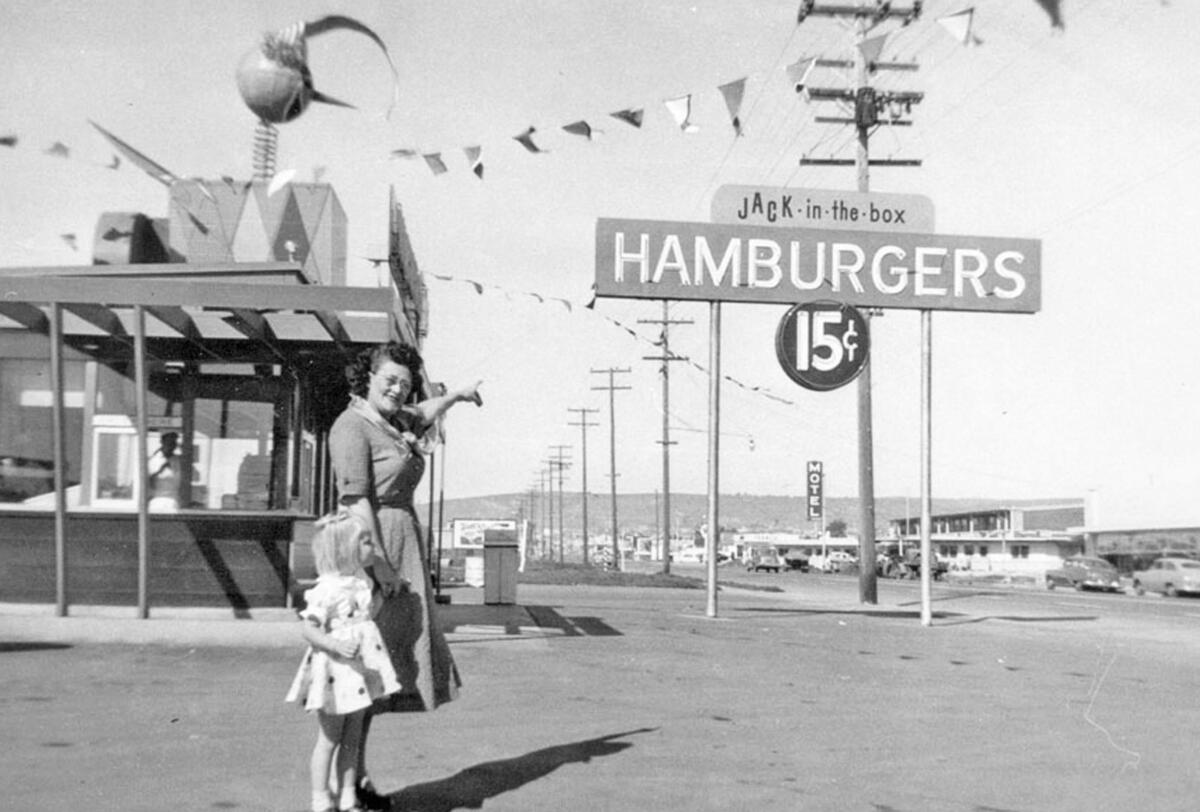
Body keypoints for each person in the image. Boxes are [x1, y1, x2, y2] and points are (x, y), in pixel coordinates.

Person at [328, 341, 482, 808]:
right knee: (359, 677)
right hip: (371, 552)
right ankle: (340, 788)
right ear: (367, 378)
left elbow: (424, 411)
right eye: (389, 380)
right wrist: (380, 565)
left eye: (404, 383)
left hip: (400, 546)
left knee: (377, 676)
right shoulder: (351, 426)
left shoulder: (393, 421)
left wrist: (456, 396)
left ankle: (356, 778)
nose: (397, 389)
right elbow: (356, 502)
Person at [285, 512, 401, 812]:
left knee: (352, 738)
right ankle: (320, 798)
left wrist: (383, 596)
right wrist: (334, 643)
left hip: (360, 671)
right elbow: (308, 628)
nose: (371, 548)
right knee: (329, 738)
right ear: (344, 550)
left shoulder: (359, 582)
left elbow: (364, 618)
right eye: (365, 542)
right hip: (337, 671)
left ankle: (348, 796)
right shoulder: (327, 589)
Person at [147, 431, 181, 511]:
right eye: (169, 442)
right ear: (162, 443)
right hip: (157, 501)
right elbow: (148, 482)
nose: (172, 446)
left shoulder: (178, 460)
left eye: (174, 443)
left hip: (174, 501)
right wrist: (160, 470)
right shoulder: (153, 460)